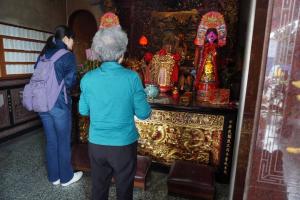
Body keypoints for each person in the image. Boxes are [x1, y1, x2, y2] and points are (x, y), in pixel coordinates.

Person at [79, 13, 151, 200]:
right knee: (124, 190)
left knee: (98, 189)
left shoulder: (88, 78)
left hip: (97, 144)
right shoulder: (132, 77)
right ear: (121, 53)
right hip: (123, 145)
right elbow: (144, 114)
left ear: (99, 53)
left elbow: (83, 110)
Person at [38, 25, 83, 186]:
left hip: (42, 104)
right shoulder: (67, 56)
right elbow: (70, 83)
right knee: (63, 141)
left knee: (51, 141)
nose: (73, 43)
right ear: (66, 38)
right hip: (59, 106)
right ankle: (66, 177)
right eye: (73, 40)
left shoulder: (43, 54)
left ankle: (54, 177)